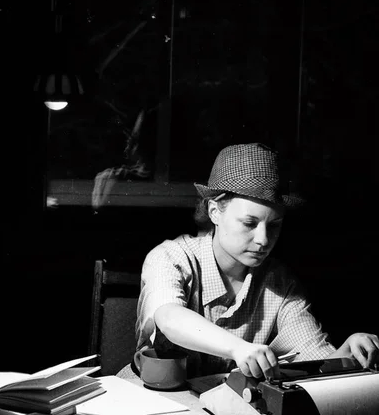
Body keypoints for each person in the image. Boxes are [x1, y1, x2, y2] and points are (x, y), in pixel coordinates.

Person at [130, 142, 379, 380]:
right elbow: (169, 318)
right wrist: (238, 348)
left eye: (274, 226)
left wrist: (347, 355)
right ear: (214, 212)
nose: (263, 239)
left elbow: (313, 357)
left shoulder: (280, 284)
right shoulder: (171, 256)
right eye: (249, 223)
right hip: (152, 399)